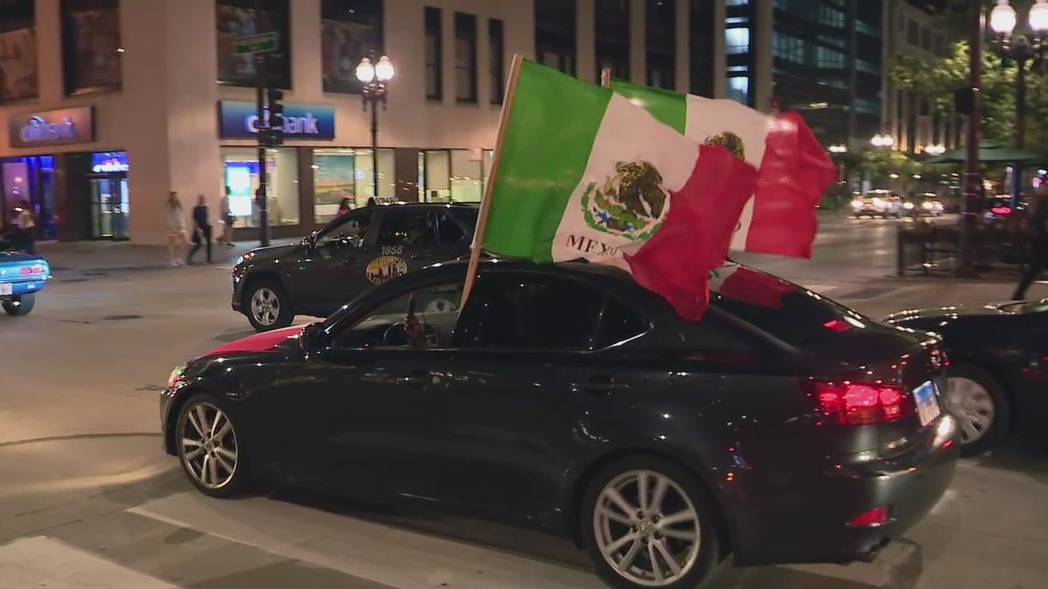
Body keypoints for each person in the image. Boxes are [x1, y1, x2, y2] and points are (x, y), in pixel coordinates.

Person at [1012, 185, 1048, 300]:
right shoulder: (1045, 205)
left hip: (1037, 239)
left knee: (1034, 268)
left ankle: (1018, 294)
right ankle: (1018, 294)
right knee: (1035, 267)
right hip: (1043, 240)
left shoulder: (1039, 204)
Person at [187, 195, 213, 265]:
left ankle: (208, 259)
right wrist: (197, 228)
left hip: (206, 226)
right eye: (201, 199)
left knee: (209, 243)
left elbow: (206, 218)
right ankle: (189, 257)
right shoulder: (196, 208)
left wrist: (209, 224)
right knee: (198, 244)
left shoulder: (205, 208)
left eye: (203, 199)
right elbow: (194, 219)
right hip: (199, 227)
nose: (203, 201)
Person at [165, 191, 189, 267]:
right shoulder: (169, 205)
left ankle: (179, 258)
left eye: (177, 196)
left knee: (185, 241)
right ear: (171, 197)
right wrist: (171, 226)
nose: (176, 197)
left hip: (181, 226)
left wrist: (183, 224)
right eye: (174, 196)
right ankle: (172, 260)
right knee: (172, 244)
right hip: (173, 227)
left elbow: (181, 215)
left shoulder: (178, 205)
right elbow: (168, 217)